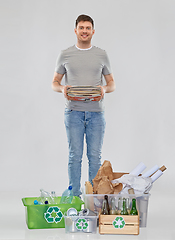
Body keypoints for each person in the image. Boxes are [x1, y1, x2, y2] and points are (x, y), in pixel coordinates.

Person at [52, 14, 115, 196]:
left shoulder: (101, 54)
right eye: (81, 28)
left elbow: (112, 83)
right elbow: (54, 82)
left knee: (95, 158)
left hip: (96, 114)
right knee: (75, 156)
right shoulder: (65, 54)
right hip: (73, 113)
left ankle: (93, 197)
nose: (84, 31)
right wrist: (62, 88)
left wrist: (104, 88)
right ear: (76, 30)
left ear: (93, 31)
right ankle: (74, 196)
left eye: (88, 28)